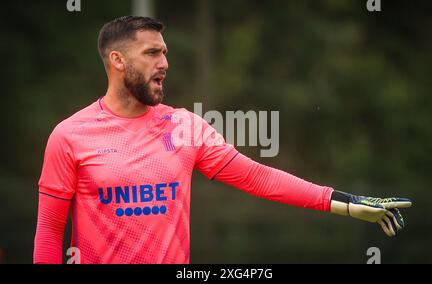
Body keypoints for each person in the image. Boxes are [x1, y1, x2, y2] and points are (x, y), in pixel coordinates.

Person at [33, 16, 412, 264]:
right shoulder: (70, 135)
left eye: (165, 53)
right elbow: (50, 233)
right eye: (151, 53)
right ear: (117, 61)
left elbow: (258, 177)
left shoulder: (185, 126)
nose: (164, 63)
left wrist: (343, 203)